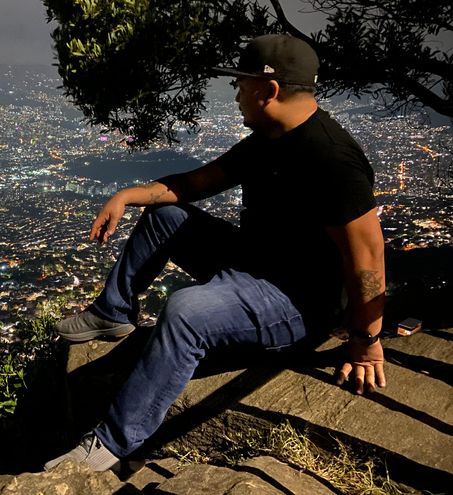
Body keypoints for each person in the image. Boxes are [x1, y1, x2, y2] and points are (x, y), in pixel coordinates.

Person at [44, 35, 386, 473]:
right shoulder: (269, 138)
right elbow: (191, 186)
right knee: (164, 216)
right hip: (254, 260)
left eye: (242, 83)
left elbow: (368, 259)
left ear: (269, 89)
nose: (237, 92)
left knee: (186, 310)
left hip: (297, 301)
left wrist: (366, 344)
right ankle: (113, 312)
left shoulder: (331, 158)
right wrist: (129, 195)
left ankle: (112, 442)